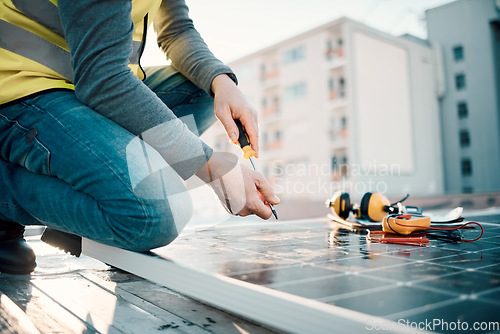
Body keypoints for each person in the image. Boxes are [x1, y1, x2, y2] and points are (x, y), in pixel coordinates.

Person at [0, 0, 280, 275]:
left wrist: (222, 82)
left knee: (203, 88)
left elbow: (177, 30)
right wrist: (213, 169)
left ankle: (100, 192)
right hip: (21, 89)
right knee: (154, 216)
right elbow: (103, 80)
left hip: (86, 85)